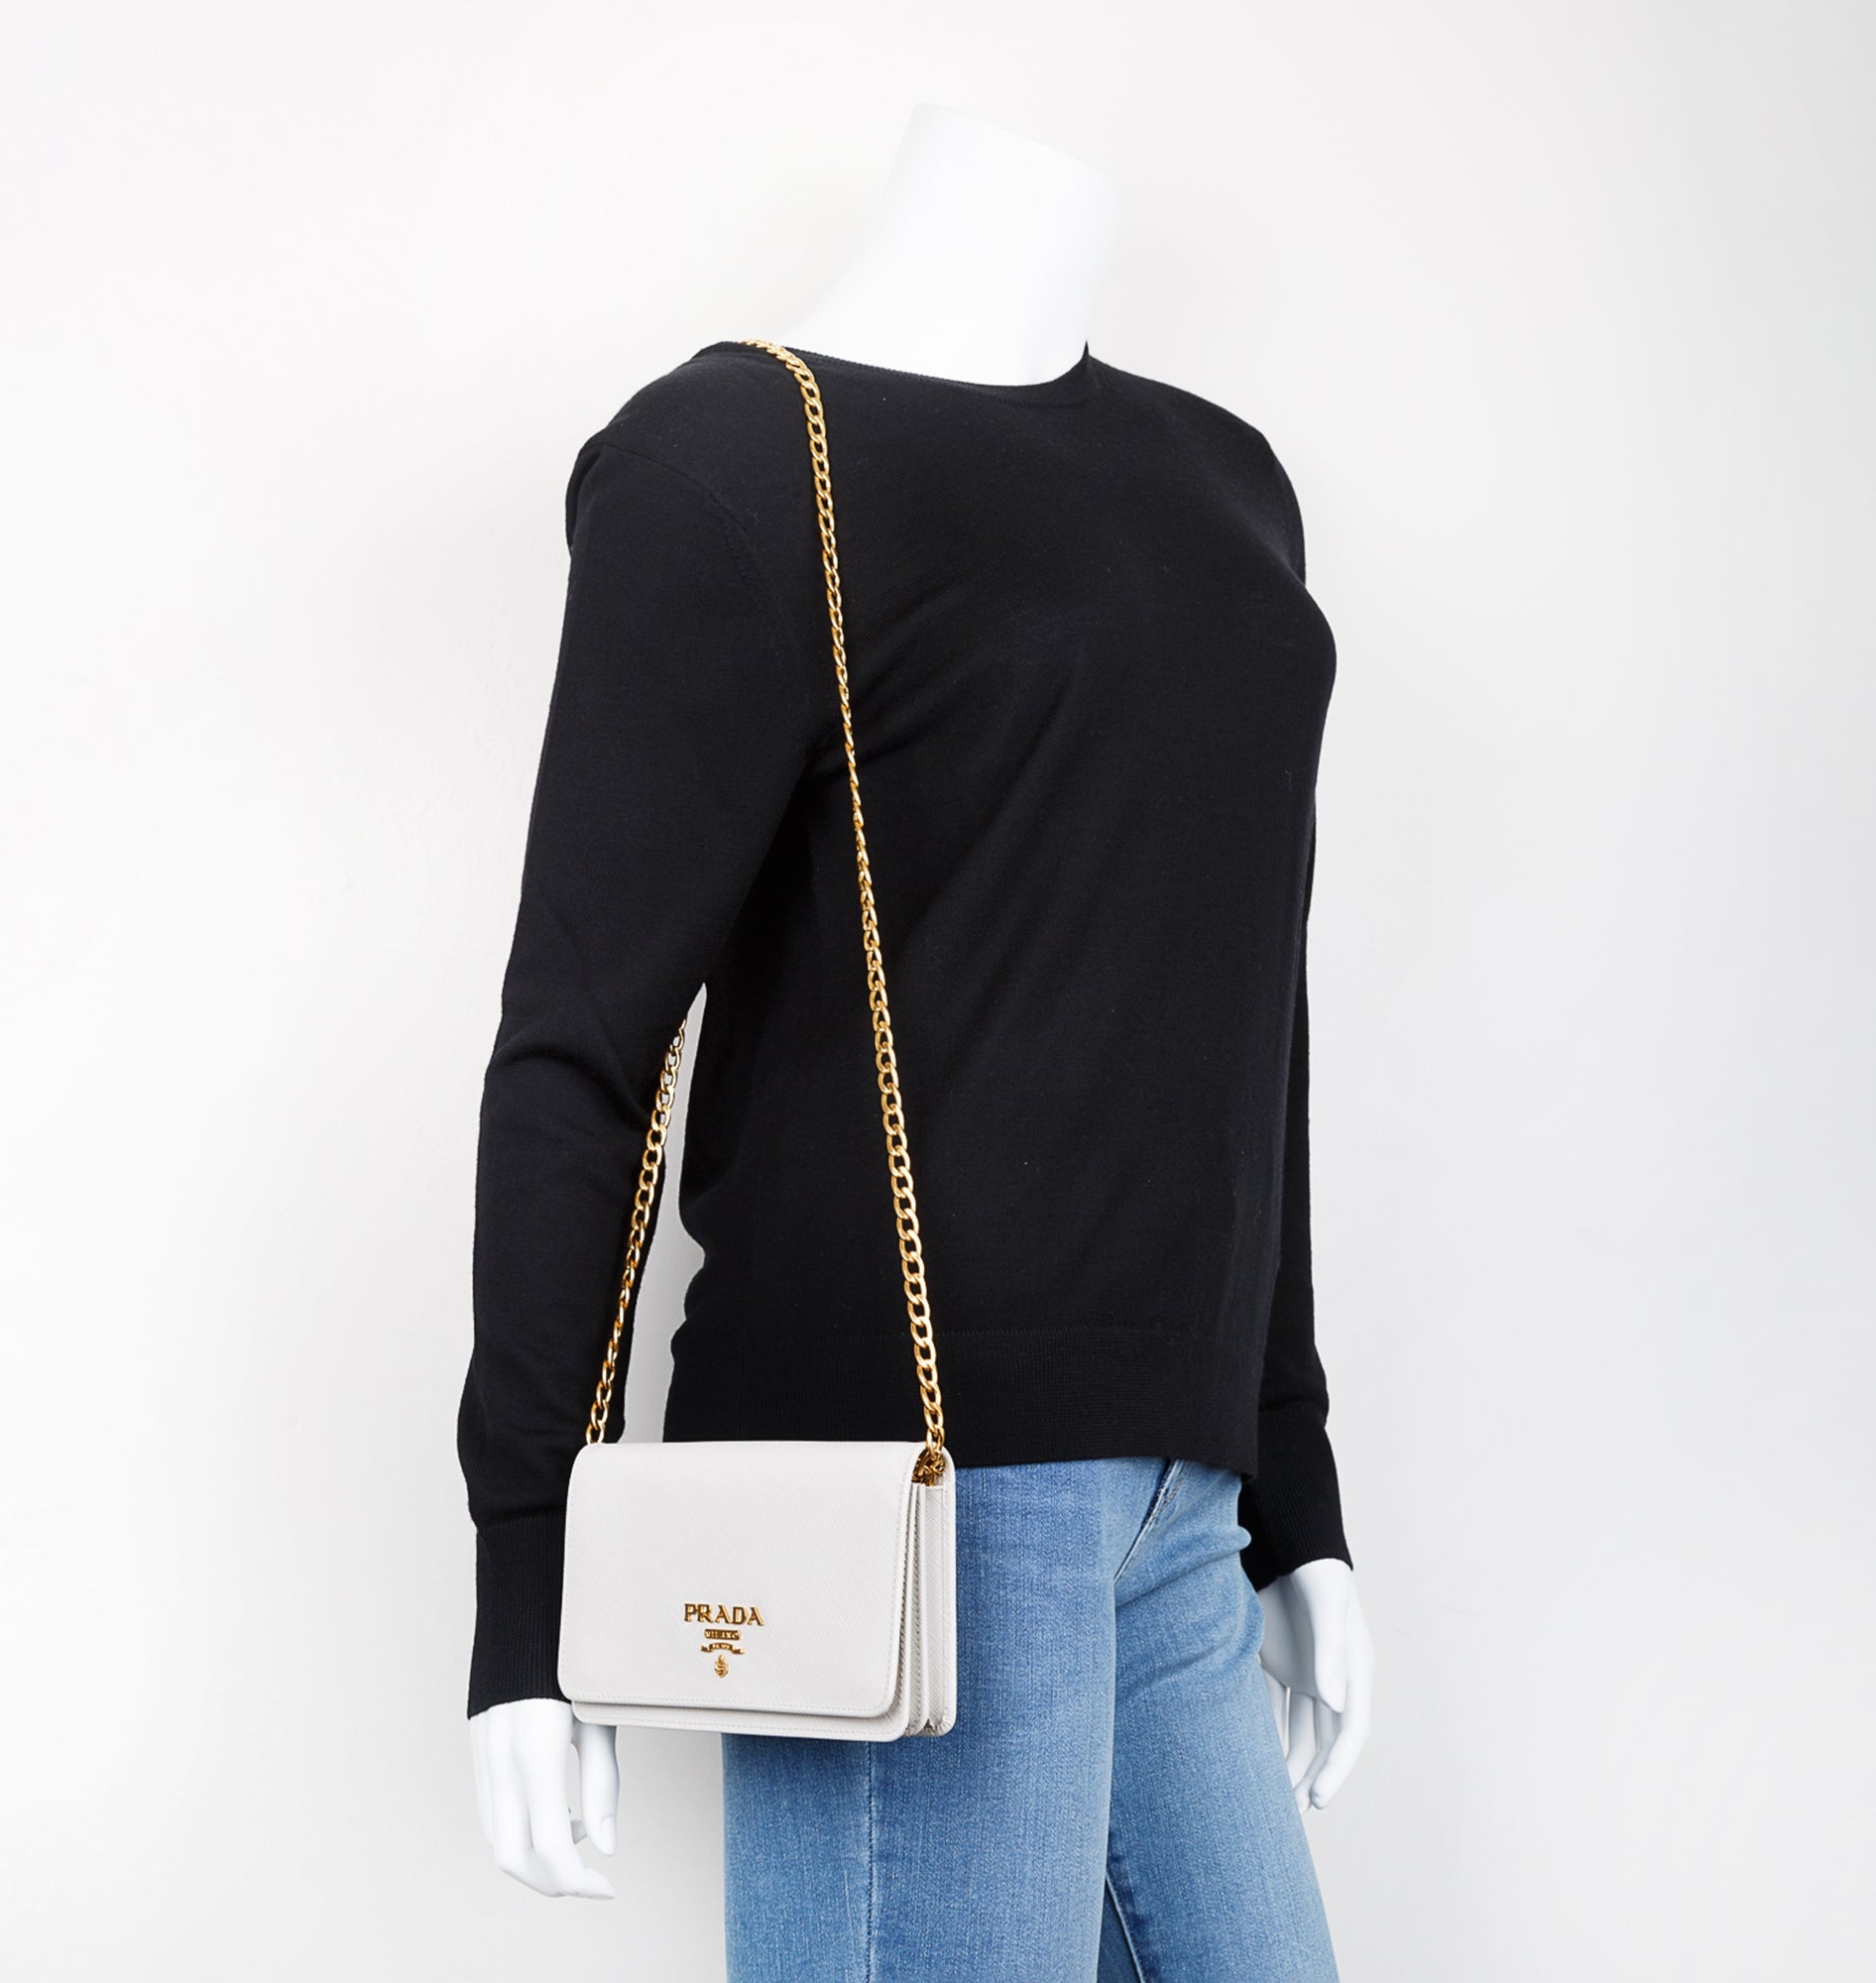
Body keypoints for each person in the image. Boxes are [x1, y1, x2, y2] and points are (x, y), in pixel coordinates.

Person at [459, 101, 1373, 1981]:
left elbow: (1242, 1011)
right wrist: (529, 1578)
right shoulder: (738, 459)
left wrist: (1295, 1484)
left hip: (1186, 1506)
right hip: (917, 1506)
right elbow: (585, 1043)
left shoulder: (1229, 486)